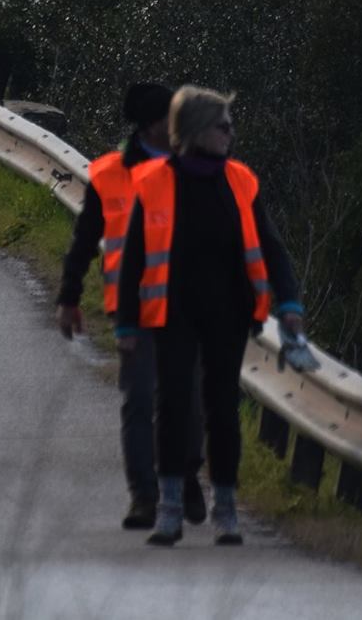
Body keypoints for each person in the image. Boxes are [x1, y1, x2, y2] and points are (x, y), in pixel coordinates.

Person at [116, 86, 305, 547]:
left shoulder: (240, 181)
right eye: (223, 126)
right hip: (173, 313)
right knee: (173, 406)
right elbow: (133, 259)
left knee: (221, 410)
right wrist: (125, 324)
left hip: (231, 314)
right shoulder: (155, 183)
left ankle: (225, 509)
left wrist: (290, 304)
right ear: (197, 131)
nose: (231, 134)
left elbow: (272, 248)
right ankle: (170, 508)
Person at [54, 82, 207, 531]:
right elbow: (85, 240)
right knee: (139, 401)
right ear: (152, 124)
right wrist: (68, 297)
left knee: (187, 402)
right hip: (133, 309)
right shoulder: (109, 174)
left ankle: (186, 474)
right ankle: (144, 496)